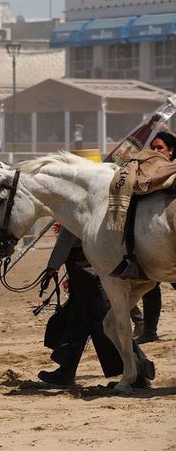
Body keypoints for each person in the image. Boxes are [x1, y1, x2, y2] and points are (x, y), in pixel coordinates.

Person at [39, 238, 154, 389]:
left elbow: (68, 233)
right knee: (79, 317)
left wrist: (53, 264)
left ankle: (137, 372)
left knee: (101, 320)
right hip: (83, 262)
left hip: (84, 264)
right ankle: (66, 371)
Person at [137, 130, 176, 343]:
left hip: (169, 244)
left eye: (159, 147)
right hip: (150, 241)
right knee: (150, 288)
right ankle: (149, 332)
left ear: (171, 151)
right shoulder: (148, 175)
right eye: (152, 147)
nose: (155, 151)